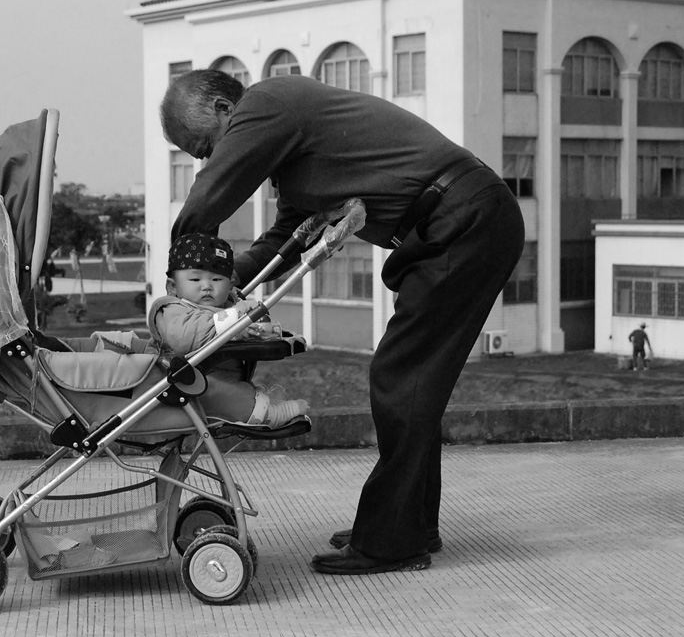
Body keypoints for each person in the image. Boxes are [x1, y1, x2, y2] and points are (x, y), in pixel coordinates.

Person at [160, 70, 525, 575]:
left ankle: (391, 541)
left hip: (464, 220)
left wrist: (179, 274)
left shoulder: (270, 101)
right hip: (448, 227)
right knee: (413, 381)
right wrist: (223, 284)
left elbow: (214, 186)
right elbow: (286, 239)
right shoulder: (294, 160)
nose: (204, 158)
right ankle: (407, 525)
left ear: (225, 108)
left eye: (201, 144)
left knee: (402, 377)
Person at [148, 232, 309, 428]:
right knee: (229, 395)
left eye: (216, 280)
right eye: (195, 280)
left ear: (230, 283)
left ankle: (258, 401)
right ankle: (266, 413)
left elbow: (245, 321)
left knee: (235, 391)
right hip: (191, 387)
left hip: (224, 379)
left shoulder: (230, 305)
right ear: (172, 286)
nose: (206, 286)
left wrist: (259, 327)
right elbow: (183, 337)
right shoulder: (172, 310)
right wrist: (235, 318)